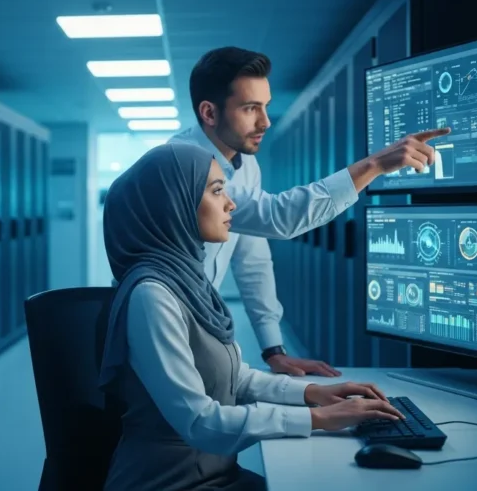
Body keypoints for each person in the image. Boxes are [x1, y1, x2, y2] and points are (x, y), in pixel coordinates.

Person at [98, 142, 405, 491]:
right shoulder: (151, 295)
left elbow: (235, 379)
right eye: (217, 191)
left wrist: (312, 393)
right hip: (167, 483)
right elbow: (199, 421)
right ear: (174, 205)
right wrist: (316, 419)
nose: (231, 204)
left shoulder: (187, 277)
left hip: (215, 475)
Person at [169, 46, 450, 376]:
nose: (265, 122)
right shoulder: (181, 162)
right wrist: (373, 165)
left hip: (197, 324)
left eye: (266, 107)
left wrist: (273, 348)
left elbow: (252, 257)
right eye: (250, 109)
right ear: (209, 112)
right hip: (164, 323)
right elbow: (278, 216)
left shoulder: (245, 163)